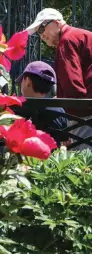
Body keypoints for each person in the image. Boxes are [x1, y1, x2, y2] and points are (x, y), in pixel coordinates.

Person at [27, 8, 92, 149]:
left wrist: (67, 125)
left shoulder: (67, 41)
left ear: (56, 23)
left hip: (86, 115)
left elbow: (73, 88)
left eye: (42, 28)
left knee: (82, 165)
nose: (41, 35)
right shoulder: (83, 35)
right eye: (38, 33)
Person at [15, 61, 68, 145]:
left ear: (28, 81)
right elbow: (65, 141)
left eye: (22, 80)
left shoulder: (16, 107)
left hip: (24, 157)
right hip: (52, 157)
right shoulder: (59, 111)